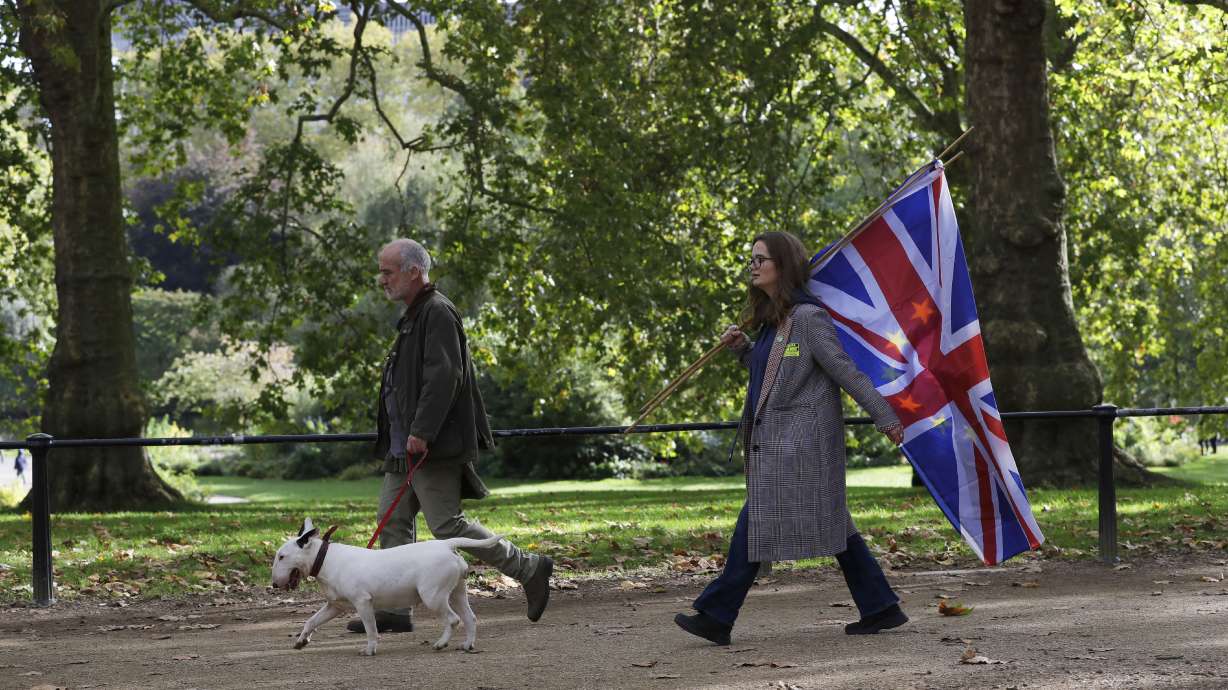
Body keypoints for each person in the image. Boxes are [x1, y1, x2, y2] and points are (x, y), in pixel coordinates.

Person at [673, 231, 908, 646]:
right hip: (781, 446)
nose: (753, 266)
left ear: (782, 264)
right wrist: (745, 349)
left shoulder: (808, 318)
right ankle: (880, 607)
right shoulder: (776, 322)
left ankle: (716, 614)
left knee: (755, 520)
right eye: (751, 260)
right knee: (836, 525)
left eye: (760, 259)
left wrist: (885, 417)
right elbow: (774, 377)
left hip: (801, 446)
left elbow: (844, 371)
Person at [347, 238, 553, 635]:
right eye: (381, 271)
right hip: (402, 447)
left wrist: (422, 431)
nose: (381, 279)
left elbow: (444, 376)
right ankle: (393, 610)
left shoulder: (437, 312)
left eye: (387, 271)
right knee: (392, 523)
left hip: (429, 445)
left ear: (413, 271)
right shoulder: (415, 314)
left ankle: (529, 567)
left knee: (448, 526)